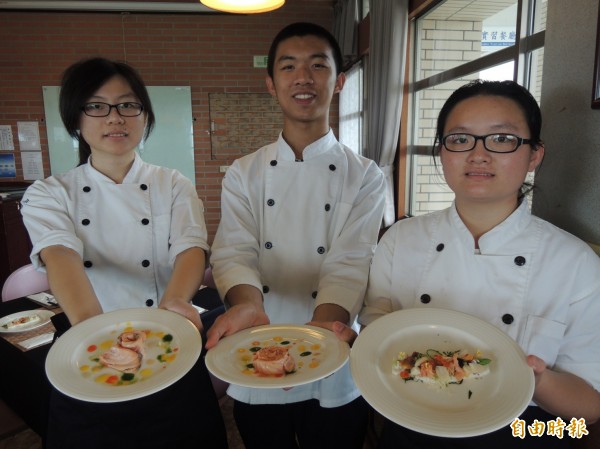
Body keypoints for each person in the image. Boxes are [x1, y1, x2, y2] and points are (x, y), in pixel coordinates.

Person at [359, 79, 600, 448]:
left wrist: (537, 380)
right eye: (459, 139)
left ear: (534, 155)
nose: (478, 154)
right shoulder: (401, 241)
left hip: (526, 429)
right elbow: (377, 345)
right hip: (414, 421)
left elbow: (588, 411)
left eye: (502, 139)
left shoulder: (574, 261)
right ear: (442, 152)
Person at [20, 57, 227, 449]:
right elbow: (60, 255)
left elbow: (190, 249)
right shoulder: (49, 193)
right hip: (90, 347)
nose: (115, 118)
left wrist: (173, 309)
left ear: (144, 115)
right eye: (96, 106)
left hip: (170, 343)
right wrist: (100, 339)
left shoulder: (173, 183)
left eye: (128, 105)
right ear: (75, 120)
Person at [206, 22, 386, 449]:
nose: (303, 78)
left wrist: (321, 334)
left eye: (317, 65)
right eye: (289, 67)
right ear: (271, 83)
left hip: (333, 342)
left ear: (339, 81)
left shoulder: (365, 175)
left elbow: (350, 260)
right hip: (254, 347)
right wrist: (249, 309)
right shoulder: (243, 172)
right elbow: (234, 251)